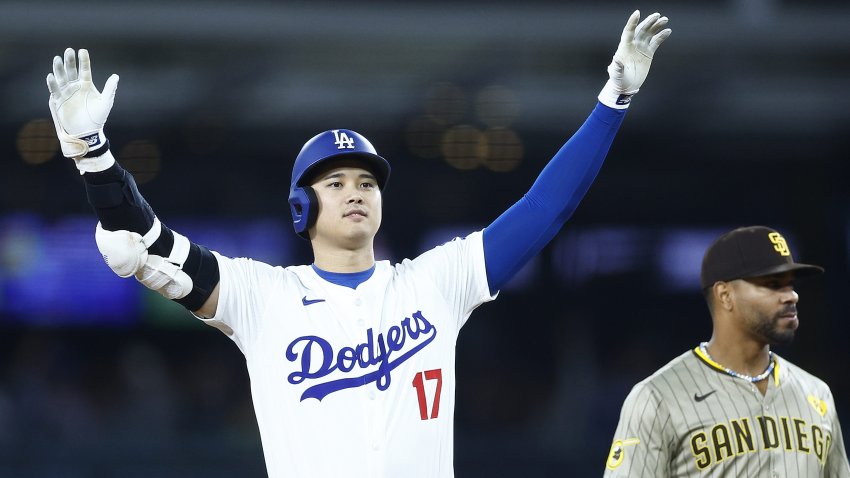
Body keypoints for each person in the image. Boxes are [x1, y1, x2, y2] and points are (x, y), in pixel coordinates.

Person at [46, 10, 671, 478]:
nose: (356, 191)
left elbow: (544, 209)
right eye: (336, 180)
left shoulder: (434, 283)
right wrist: (92, 156)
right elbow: (144, 232)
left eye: (367, 181)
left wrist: (612, 101)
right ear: (302, 205)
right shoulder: (262, 295)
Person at [603, 226, 850, 477]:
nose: (791, 296)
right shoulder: (656, 398)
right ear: (725, 295)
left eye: (790, 285)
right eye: (774, 285)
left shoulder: (817, 393)